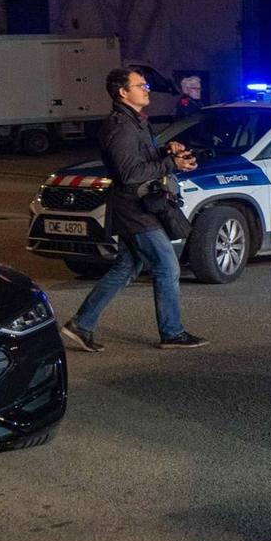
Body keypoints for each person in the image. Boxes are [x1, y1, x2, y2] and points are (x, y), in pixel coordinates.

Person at [60, 67, 208, 352]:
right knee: (167, 266)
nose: (147, 89)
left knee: (126, 267)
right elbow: (129, 173)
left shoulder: (136, 121)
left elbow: (141, 159)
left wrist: (167, 152)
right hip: (133, 208)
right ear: (123, 92)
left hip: (139, 204)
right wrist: (170, 164)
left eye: (146, 84)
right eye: (140, 85)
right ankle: (172, 333)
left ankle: (81, 324)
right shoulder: (120, 126)